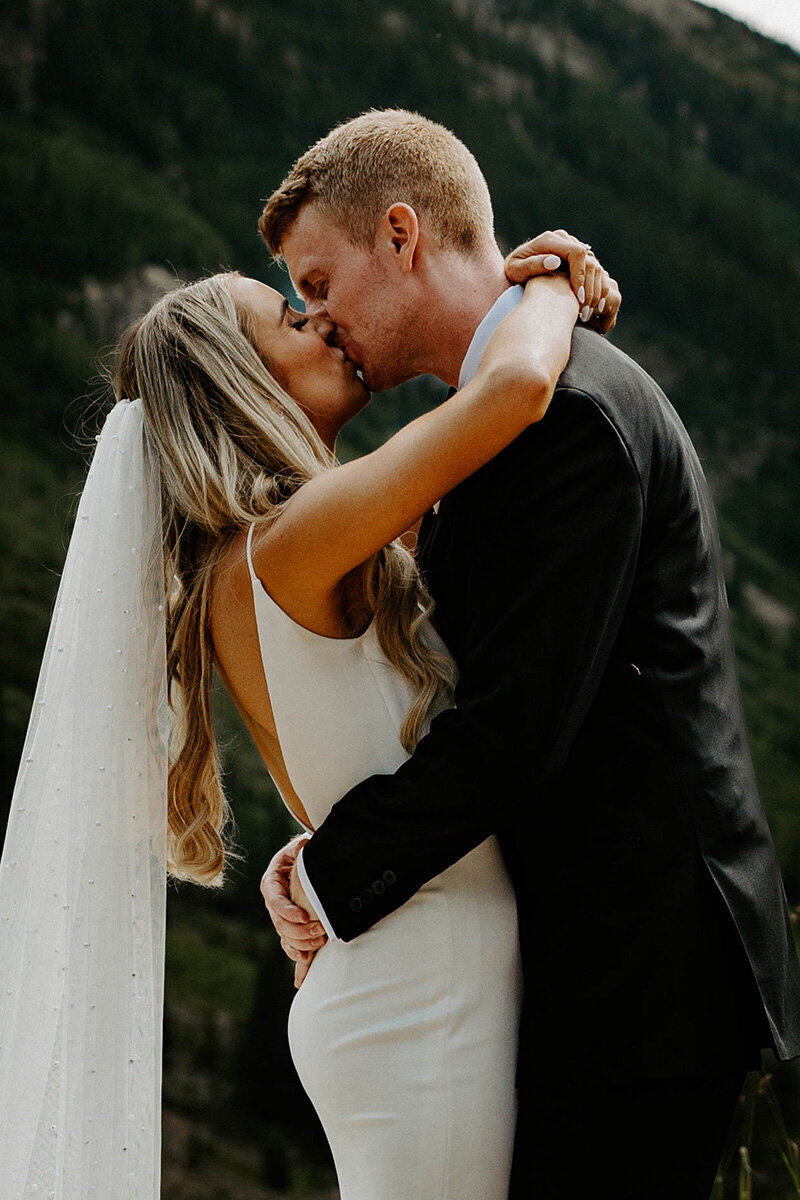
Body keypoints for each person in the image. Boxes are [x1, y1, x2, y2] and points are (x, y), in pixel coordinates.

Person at [0, 204, 616, 1191]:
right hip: (422, 992)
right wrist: (548, 283)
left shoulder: (266, 556)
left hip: (400, 974)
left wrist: (312, 863)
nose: (322, 322)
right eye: (289, 320)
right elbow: (514, 386)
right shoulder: (294, 540)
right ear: (235, 386)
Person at [259, 109, 800, 1199]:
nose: (318, 317)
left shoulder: (564, 420)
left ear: (401, 237)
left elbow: (514, 729)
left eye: (319, 282)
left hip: (640, 980)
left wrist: (323, 873)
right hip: (605, 968)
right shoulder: (515, 413)